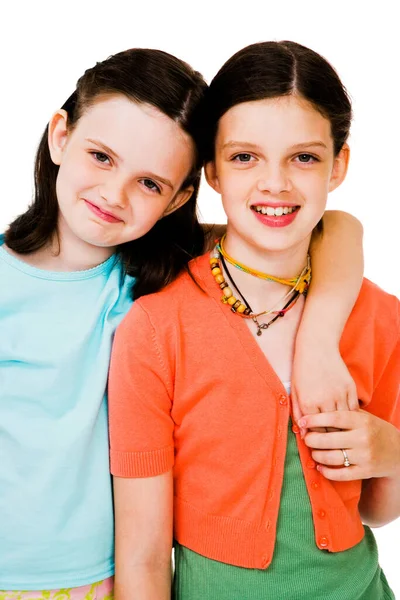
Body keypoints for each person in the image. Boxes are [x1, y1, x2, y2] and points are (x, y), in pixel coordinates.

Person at [0, 45, 364, 598]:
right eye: (101, 156)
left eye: (150, 183)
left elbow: (333, 229)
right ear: (60, 135)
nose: (114, 193)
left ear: (177, 201)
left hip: (105, 577)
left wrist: (317, 344)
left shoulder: (163, 275)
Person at [109, 41, 400, 599]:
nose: (276, 184)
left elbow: (378, 509)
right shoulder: (157, 327)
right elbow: (144, 555)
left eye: (305, 157)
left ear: (338, 164)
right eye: (245, 157)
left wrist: (391, 449)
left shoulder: (377, 315)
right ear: (212, 170)